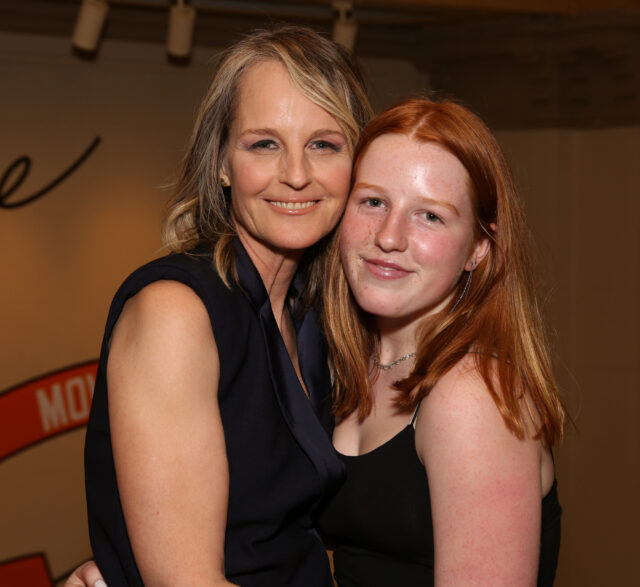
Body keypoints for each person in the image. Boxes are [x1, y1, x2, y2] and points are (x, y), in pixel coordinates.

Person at [80, 25, 372, 587]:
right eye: (264, 143)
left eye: (324, 144)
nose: (295, 174)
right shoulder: (177, 313)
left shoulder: (314, 318)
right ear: (220, 163)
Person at [318, 98, 567, 586]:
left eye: (429, 216)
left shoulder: (470, 395)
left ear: (478, 247)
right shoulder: (349, 364)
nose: (389, 236)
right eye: (373, 202)